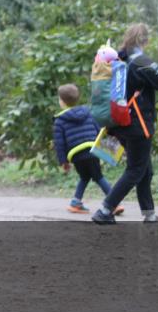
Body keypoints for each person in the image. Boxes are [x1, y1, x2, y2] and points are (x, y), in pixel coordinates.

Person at [92, 23, 158, 225]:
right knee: (136, 170)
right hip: (137, 125)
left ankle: (149, 215)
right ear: (146, 40)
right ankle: (104, 210)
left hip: (119, 123)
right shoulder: (142, 62)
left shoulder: (117, 58)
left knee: (145, 170)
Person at [52, 84, 121, 215]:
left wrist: (63, 162)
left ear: (61, 101)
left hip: (76, 155)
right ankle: (114, 203)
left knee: (85, 176)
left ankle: (76, 203)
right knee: (98, 176)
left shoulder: (59, 120)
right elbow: (98, 129)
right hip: (91, 150)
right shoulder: (88, 112)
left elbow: (59, 144)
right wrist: (105, 147)